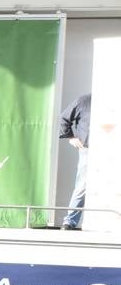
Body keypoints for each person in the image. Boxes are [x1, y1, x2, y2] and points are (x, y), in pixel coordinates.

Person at [60, 93, 91, 230]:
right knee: (82, 186)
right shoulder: (84, 100)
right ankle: (70, 221)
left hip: (112, 148)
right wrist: (70, 137)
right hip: (88, 148)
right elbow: (64, 118)